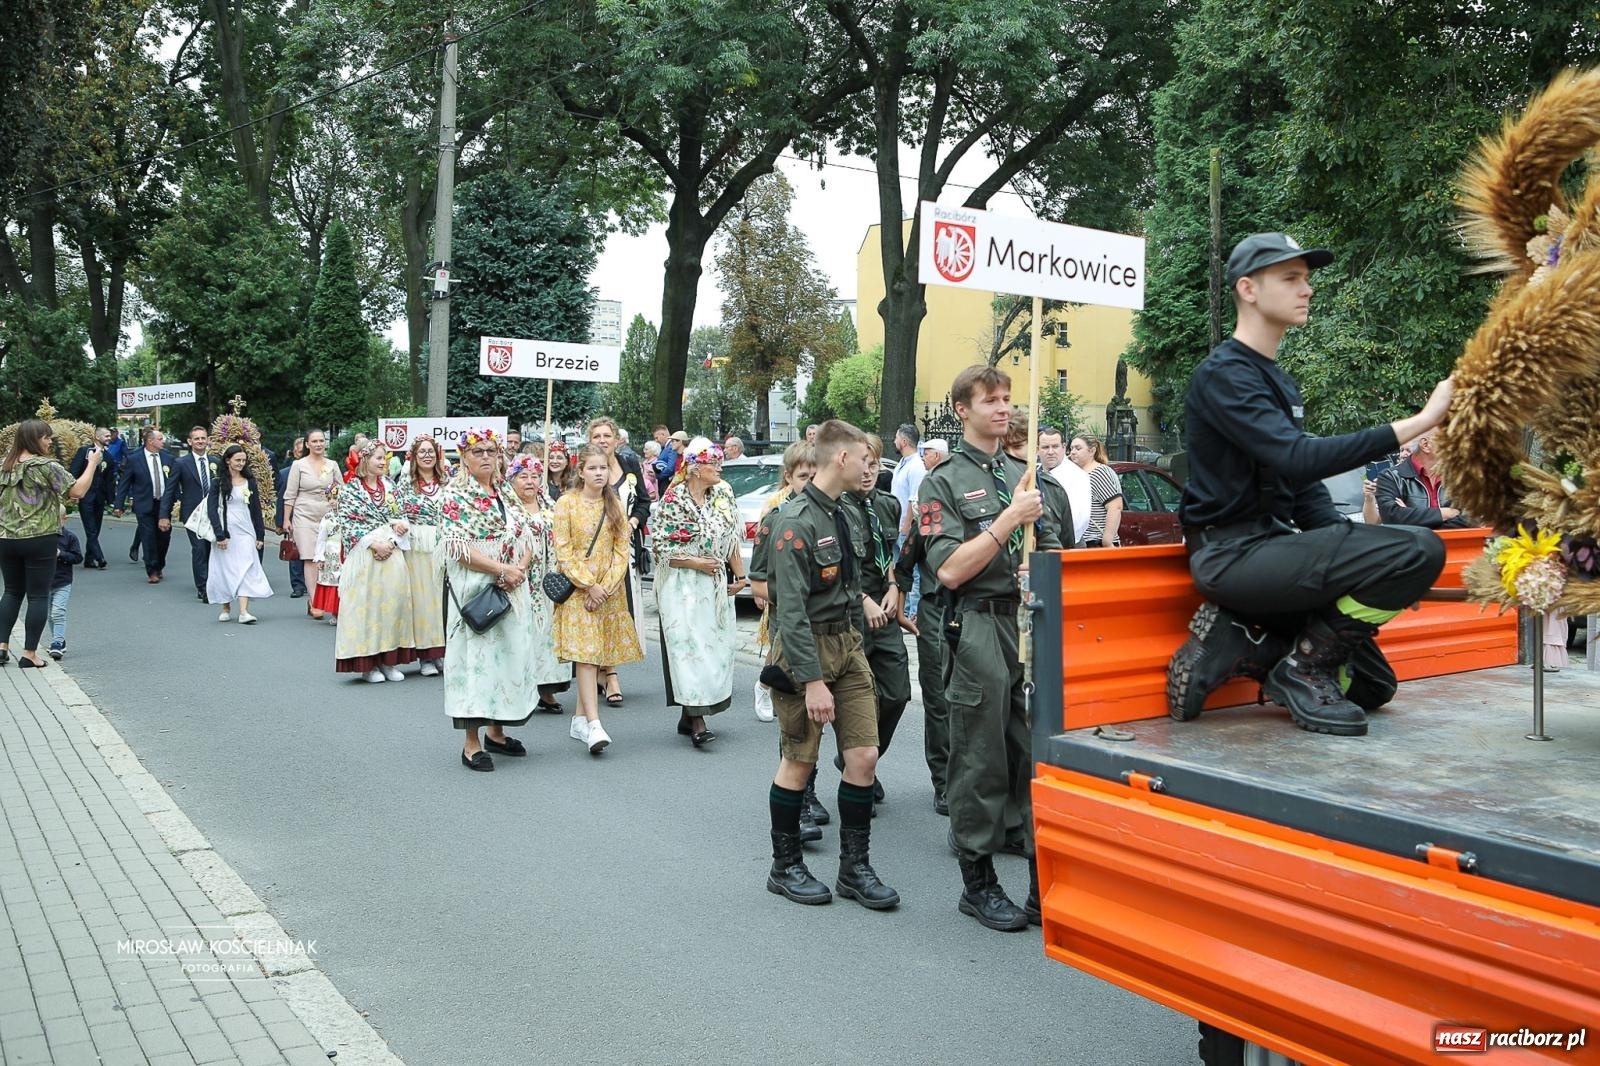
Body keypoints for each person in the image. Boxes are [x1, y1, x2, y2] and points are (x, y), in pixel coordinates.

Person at [1166, 231, 1453, 739]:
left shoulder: (1277, 379)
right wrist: (1422, 419)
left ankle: (1254, 643)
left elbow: (1299, 483)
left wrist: (1370, 560)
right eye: (1291, 278)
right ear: (1249, 289)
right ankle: (1298, 666)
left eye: (1307, 279)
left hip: (1276, 551)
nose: (1307, 289)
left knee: (1373, 688)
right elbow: (1296, 455)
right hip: (1232, 556)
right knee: (1421, 549)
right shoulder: (1224, 375)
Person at [919, 364, 1062, 931]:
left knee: (1034, 753)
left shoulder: (1023, 474)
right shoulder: (944, 481)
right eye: (990, 401)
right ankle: (977, 884)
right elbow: (950, 570)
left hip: (1028, 622)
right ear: (962, 410)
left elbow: (1051, 554)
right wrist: (1008, 520)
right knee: (980, 756)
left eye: (1007, 399)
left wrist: (1041, 553)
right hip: (977, 625)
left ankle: (1038, 881)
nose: (1003, 409)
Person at [749, 419, 899, 910]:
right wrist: (813, 682)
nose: (870, 467)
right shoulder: (795, 523)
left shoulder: (847, 514)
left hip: (847, 644)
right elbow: (788, 611)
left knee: (864, 756)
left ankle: (854, 868)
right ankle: (785, 865)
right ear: (841, 459)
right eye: (864, 459)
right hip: (803, 653)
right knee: (799, 761)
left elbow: (849, 583)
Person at [440, 430, 536, 772]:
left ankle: (497, 731)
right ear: (464, 456)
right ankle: (471, 743)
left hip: (511, 584)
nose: (485, 456)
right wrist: (500, 568)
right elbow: (456, 546)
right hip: (476, 586)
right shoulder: (454, 494)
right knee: (474, 662)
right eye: (478, 451)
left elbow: (526, 533)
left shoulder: (504, 491)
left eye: (491, 451)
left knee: (507, 657)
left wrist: (519, 568)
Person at [652, 437, 745, 747]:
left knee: (714, 647)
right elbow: (661, 548)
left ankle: (688, 711)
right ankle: (697, 719)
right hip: (682, 583)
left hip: (715, 581)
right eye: (711, 462)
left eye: (719, 461)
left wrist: (741, 576)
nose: (718, 467)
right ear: (693, 468)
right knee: (687, 648)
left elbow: (731, 538)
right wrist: (694, 562)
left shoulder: (723, 494)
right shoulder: (673, 500)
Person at [553, 445, 644, 755]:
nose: (598, 473)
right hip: (579, 591)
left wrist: (605, 585)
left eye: (603, 468)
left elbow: (622, 550)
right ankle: (594, 724)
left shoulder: (615, 504)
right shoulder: (566, 504)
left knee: (595, 653)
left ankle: (579, 718)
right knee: (587, 655)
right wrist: (589, 585)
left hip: (609, 591)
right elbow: (563, 552)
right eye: (592, 468)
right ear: (581, 471)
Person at [836, 433, 910, 807]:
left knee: (897, 692)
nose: (868, 471)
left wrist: (895, 587)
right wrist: (863, 599)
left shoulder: (888, 505)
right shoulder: (837, 508)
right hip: (852, 610)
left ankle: (861, 758)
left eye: (874, 462)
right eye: (862, 462)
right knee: (857, 695)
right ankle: (860, 767)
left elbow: (890, 556)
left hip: (885, 607)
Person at [1, 420, 102, 668]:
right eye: (46, 437)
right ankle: (29, 654)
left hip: (6, 538)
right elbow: (76, 491)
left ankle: (1, 647)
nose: (50, 441)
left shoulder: (5, 465)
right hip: (39, 538)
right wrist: (92, 464)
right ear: (34, 439)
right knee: (38, 596)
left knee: (12, 592)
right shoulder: (46, 466)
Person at [333, 442, 428, 682]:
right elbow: (349, 522)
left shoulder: (390, 486)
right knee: (367, 608)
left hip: (392, 550)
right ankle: (368, 665)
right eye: (378, 458)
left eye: (384, 458)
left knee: (393, 605)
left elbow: (401, 515)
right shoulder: (351, 489)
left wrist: (397, 531)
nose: (383, 462)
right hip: (366, 554)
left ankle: (388, 661)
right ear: (365, 460)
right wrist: (373, 544)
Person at [585, 416, 651, 702]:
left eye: (607, 435)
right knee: (599, 608)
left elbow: (644, 502)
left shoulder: (629, 465)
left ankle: (607, 668)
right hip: (594, 552)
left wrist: (633, 523)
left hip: (626, 551)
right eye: (597, 436)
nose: (602, 440)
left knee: (619, 610)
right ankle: (608, 673)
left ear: (616, 439)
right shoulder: (587, 466)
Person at [753, 442, 816, 726]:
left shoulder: (828, 513)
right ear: (788, 476)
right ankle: (765, 687)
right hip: (787, 605)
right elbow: (758, 578)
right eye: (804, 477)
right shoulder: (777, 515)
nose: (811, 483)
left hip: (819, 606)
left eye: (816, 476)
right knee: (784, 655)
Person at [506, 454, 574, 712]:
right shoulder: (508, 507)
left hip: (550, 579)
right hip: (523, 578)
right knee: (525, 631)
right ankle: (524, 688)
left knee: (549, 633)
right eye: (523, 476)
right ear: (511, 480)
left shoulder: (550, 504)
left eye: (535, 476)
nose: (530, 481)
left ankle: (547, 688)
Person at [395, 436, 448, 677]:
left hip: (443, 542)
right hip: (417, 544)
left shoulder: (447, 481)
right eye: (422, 452)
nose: (427, 456)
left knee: (442, 601)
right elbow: (396, 511)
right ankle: (426, 655)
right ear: (414, 457)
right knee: (423, 600)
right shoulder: (406, 483)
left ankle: (443, 652)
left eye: (431, 451)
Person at [205, 443, 272, 624]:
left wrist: (260, 535)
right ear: (228, 461)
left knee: (246, 567)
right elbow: (212, 510)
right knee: (225, 568)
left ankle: (243, 611)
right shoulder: (218, 482)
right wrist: (220, 535)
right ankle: (226, 606)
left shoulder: (249, 482)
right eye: (237, 460)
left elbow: (256, 509)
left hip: (246, 530)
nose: (241, 463)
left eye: (243, 460)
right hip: (227, 531)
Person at [281, 430, 338, 618]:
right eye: (314, 441)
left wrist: (337, 502)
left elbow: (342, 489)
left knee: (327, 557)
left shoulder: (332, 465)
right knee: (310, 557)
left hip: (328, 515)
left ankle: (326, 598)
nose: (318, 444)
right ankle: (314, 600)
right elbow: (290, 494)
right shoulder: (299, 465)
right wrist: (286, 519)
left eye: (321, 440)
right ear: (307, 444)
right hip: (304, 513)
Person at [159, 426, 216, 601]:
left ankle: (215, 583)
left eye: (203, 438)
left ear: (207, 440)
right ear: (190, 442)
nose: (200, 441)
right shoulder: (181, 463)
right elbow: (170, 490)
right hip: (193, 514)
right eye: (196, 438)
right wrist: (164, 515)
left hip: (214, 513)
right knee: (199, 549)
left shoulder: (216, 462)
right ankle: (203, 587)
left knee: (212, 550)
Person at [1006, 411, 1075, 555]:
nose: (1011, 456)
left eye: (1018, 447)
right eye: (1004, 450)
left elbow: (1066, 544)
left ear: (1033, 448)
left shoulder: (1053, 490)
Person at [113, 428, 174, 582]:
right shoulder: (134, 459)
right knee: (148, 538)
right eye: (160, 439)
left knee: (164, 537)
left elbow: (174, 481)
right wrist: (118, 505)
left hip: (164, 505)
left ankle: (159, 565)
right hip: (144, 504)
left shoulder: (168, 458)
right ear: (150, 441)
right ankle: (152, 570)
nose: (163, 441)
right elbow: (124, 483)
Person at [1373, 434, 1473, 528]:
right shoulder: (1390, 477)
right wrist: (1446, 513)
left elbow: (1472, 518)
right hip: (1412, 547)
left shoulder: (1459, 477)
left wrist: (1411, 515)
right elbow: (1392, 518)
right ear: (1426, 445)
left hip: (1456, 545)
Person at [889, 423, 926, 621]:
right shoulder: (902, 463)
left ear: (903, 441)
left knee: (912, 571)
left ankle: (913, 612)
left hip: (906, 527)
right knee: (898, 568)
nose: (894, 441)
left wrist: (906, 526)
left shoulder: (916, 466)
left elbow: (915, 498)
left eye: (896, 438)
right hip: (896, 526)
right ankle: (902, 609)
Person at [68, 427, 114, 569]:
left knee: (97, 527)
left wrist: (112, 500)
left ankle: (89, 558)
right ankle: (99, 557)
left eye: (109, 436)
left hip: (99, 497)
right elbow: (74, 472)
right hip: (85, 496)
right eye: (106, 436)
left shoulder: (108, 456)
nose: (109, 438)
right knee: (90, 528)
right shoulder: (84, 451)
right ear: (97, 437)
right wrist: (73, 493)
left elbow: (109, 480)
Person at [1068, 433, 1123, 547]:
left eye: (1078, 448)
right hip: (1079, 542)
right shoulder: (1075, 474)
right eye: (1071, 448)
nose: (1073, 452)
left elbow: (1115, 507)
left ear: (1092, 451)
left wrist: (1107, 541)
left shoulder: (1100, 472)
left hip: (1096, 541)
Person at [1038, 426, 1090, 545]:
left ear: (1064, 447)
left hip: (1066, 545)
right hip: (1040, 545)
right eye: (1045, 447)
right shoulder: (1034, 475)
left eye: (1055, 446)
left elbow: (1077, 522)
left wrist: (1052, 545)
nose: (1050, 452)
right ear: (1037, 449)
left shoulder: (1078, 477)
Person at [275, 436, 308, 597]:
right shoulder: (284, 474)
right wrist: (280, 521)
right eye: (300, 452)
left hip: (313, 516)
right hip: (294, 517)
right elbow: (282, 498)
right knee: (295, 550)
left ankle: (312, 582)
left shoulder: (322, 469)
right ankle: (298, 585)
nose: (303, 455)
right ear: (295, 453)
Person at [47, 509, 81, 660]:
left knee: (58, 612)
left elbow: (78, 557)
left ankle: (56, 644)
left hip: (63, 581)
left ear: (64, 519)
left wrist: (61, 554)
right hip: (44, 582)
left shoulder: (70, 537)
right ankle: (59, 639)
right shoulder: (42, 536)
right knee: (49, 615)